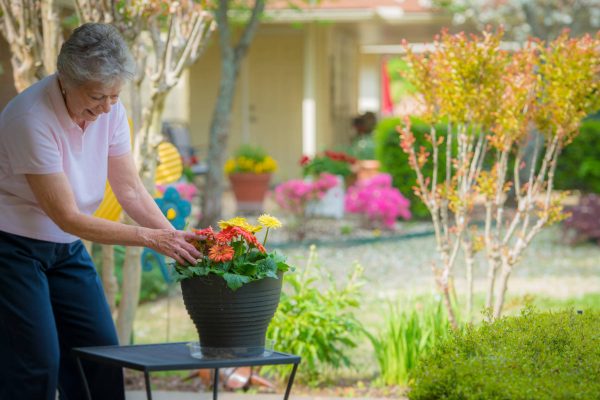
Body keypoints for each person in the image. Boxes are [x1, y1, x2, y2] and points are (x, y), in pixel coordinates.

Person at [0, 23, 202, 400]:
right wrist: (149, 238)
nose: (107, 106)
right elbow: (68, 216)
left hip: (66, 247)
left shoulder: (109, 108)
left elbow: (129, 188)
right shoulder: (30, 119)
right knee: (35, 364)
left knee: (102, 356)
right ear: (65, 79)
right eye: (97, 96)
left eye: (114, 95)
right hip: (12, 247)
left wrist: (172, 238)